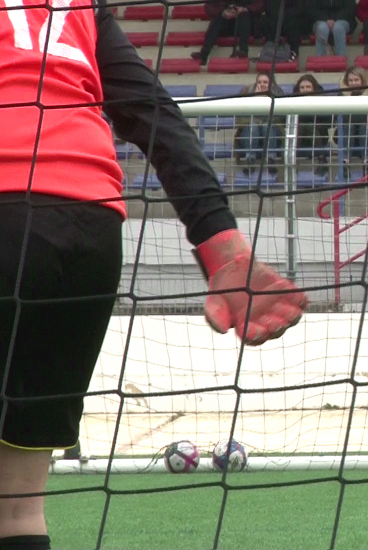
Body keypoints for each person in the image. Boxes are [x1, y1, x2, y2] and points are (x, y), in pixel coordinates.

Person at [0, 2, 308, 548]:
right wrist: (222, 247)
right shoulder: (79, 10)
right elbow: (156, 116)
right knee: (18, 510)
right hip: (88, 232)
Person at [234, 72, 285, 172]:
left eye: (265, 82)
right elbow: (240, 121)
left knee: (267, 126)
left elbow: (280, 119)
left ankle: (271, 159)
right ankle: (250, 160)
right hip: (249, 133)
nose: (262, 84)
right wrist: (255, 100)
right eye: (259, 82)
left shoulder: (279, 95)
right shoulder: (246, 95)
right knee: (253, 126)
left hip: (272, 133)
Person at [191, 0, 263, 64]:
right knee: (219, 19)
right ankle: (203, 54)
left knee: (243, 15)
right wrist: (223, 12)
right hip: (227, 22)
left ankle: (243, 51)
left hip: (248, 24)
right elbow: (209, 8)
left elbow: (260, 5)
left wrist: (245, 9)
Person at [339, 66, 368, 171]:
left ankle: (367, 161)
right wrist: (365, 117)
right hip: (348, 135)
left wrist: (356, 117)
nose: (353, 83)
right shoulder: (341, 95)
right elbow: (343, 117)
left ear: (362, 80)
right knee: (350, 126)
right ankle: (345, 161)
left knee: (364, 126)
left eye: (356, 80)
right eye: (350, 80)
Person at [294, 74, 333, 177]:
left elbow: (329, 119)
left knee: (310, 125)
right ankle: (294, 162)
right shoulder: (292, 100)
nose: (305, 90)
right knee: (302, 126)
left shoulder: (323, 100)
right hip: (300, 135)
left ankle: (321, 160)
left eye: (308, 87)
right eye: (302, 87)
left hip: (319, 135)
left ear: (314, 88)